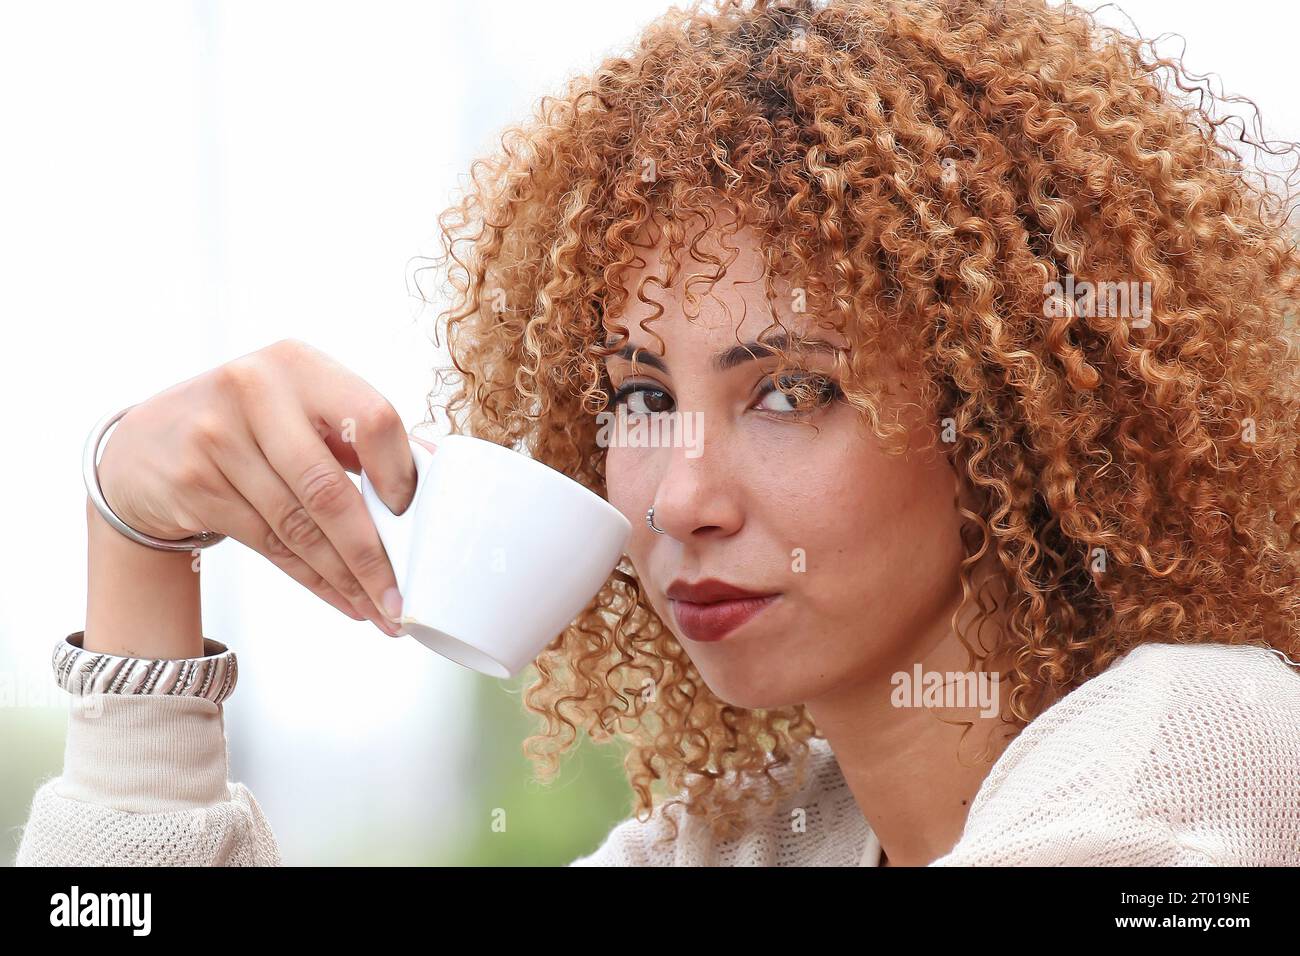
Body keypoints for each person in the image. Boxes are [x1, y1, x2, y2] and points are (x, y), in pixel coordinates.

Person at [16, 0, 1300, 867]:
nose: (678, 498)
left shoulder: (1198, 746)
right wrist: (136, 542)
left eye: (791, 389)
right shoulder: (736, 841)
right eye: (638, 395)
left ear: (1018, 409)